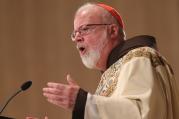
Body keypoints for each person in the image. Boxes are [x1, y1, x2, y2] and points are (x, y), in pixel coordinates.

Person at [26, 2, 179, 119]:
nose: (77, 37)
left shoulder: (139, 58)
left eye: (85, 29)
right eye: (75, 33)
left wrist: (84, 102)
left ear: (112, 31)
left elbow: (141, 114)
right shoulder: (112, 73)